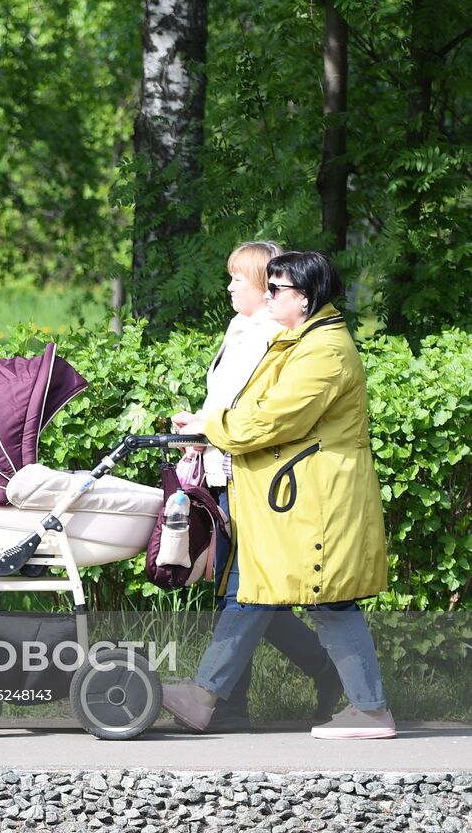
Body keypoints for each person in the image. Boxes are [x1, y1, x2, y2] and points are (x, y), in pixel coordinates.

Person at [162, 250, 394, 739]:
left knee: (326, 599)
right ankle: (205, 698)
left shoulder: (324, 351)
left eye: (277, 290)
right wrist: (213, 426)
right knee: (254, 592)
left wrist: (211, 425)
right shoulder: (303, 340)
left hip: (314, 501)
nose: (267, 297)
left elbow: (273, 418)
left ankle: (371, 711)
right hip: (289, 496)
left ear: (304, 297)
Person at [178, 241, 341, 732]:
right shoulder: (239, 329)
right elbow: (225, 403)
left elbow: (259, 414)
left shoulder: (274, 337)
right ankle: (309, 675)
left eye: (239, 280)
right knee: (245, 592)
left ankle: (221, 700)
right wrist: (201, 430)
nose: (230, 287)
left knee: (246, 591)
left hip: (252, 478)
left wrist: (208, 430)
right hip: (223, 471)